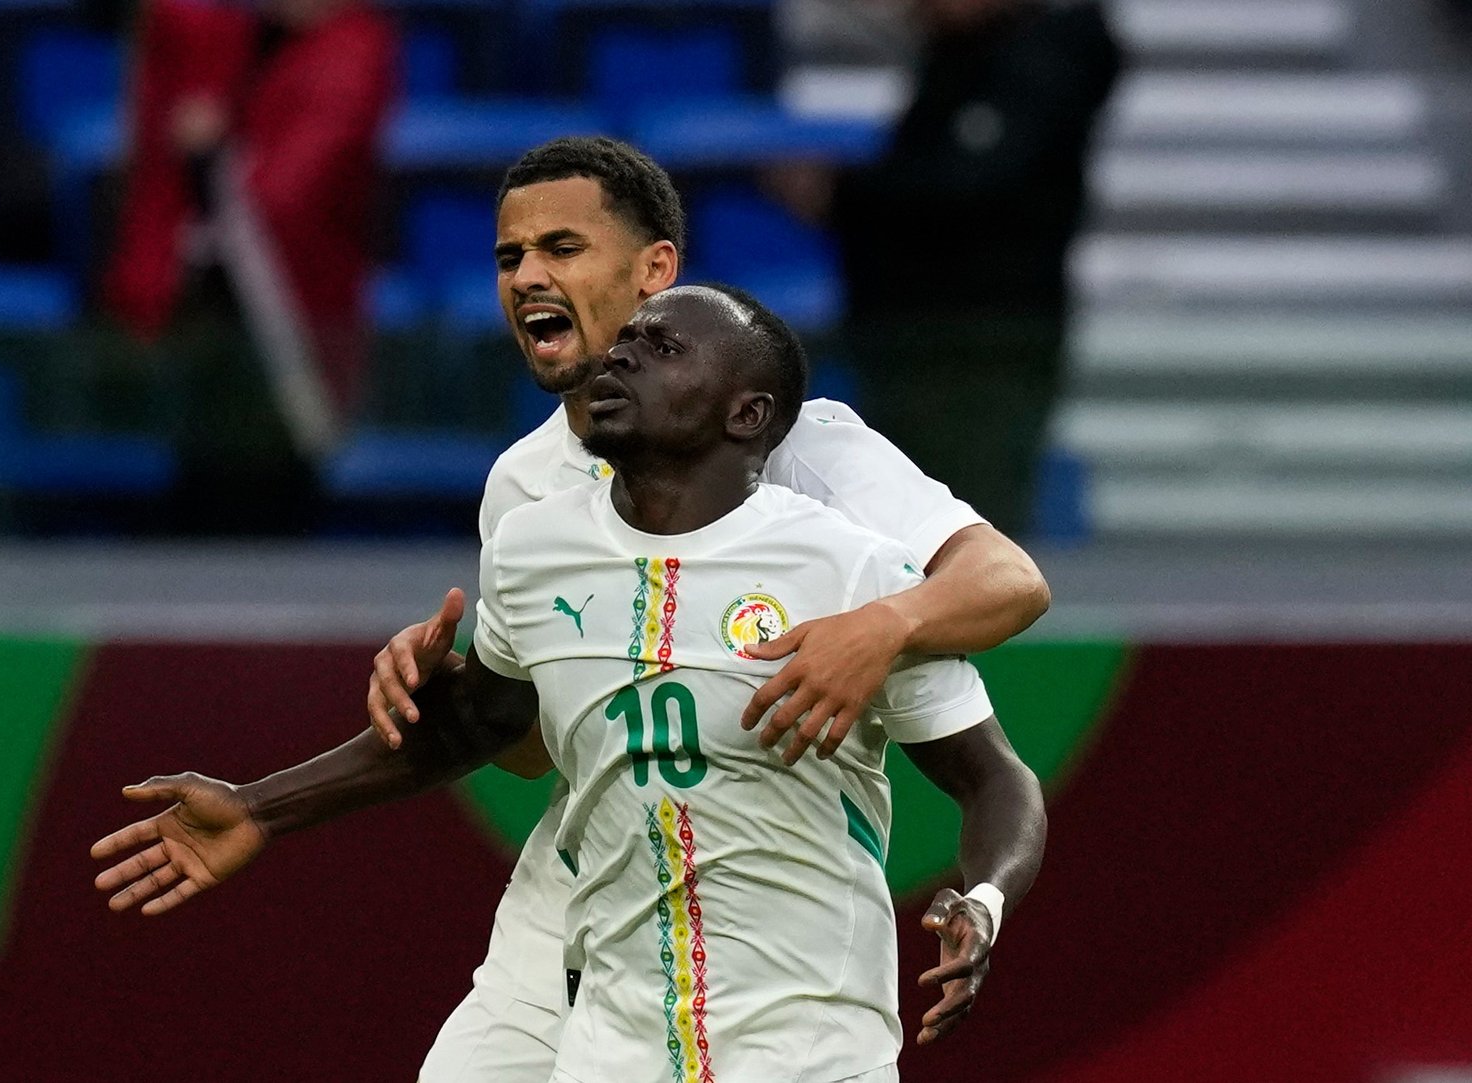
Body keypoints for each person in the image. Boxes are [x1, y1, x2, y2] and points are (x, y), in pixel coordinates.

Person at [93, 138, 1052, 1078]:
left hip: (772, 939)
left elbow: (1009, 582)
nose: (526, 277)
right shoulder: (525, 493)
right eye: (509, 256)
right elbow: (525, 742)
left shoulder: (810, 456)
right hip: (585, 897)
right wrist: (441, 693)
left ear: (655, 270)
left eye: (561, 247)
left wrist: (884, 625)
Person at [461, 283, 1045, 1080]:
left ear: (746, 415)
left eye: (663, 347)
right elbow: (481, 725)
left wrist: (986, 900)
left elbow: (997, 780)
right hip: (608, 1048)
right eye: (626, 339)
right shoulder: (530, 548)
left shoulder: (849, 568)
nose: (621, 354)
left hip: (813, 1052)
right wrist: (404, 696)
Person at [774, 0, 1120, 536]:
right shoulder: (968, 57)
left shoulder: (1037, 63)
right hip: (930, 332)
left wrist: (844, 195)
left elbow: (971, 182)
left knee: (969, 521)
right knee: (905, 526)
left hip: (979, 337)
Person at [102, 0, 396, 533]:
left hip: (294, 327)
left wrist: (217, 156)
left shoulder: (351, 50)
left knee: (271, 509)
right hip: (213, 330)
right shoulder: (240, 39)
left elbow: (285, 196)